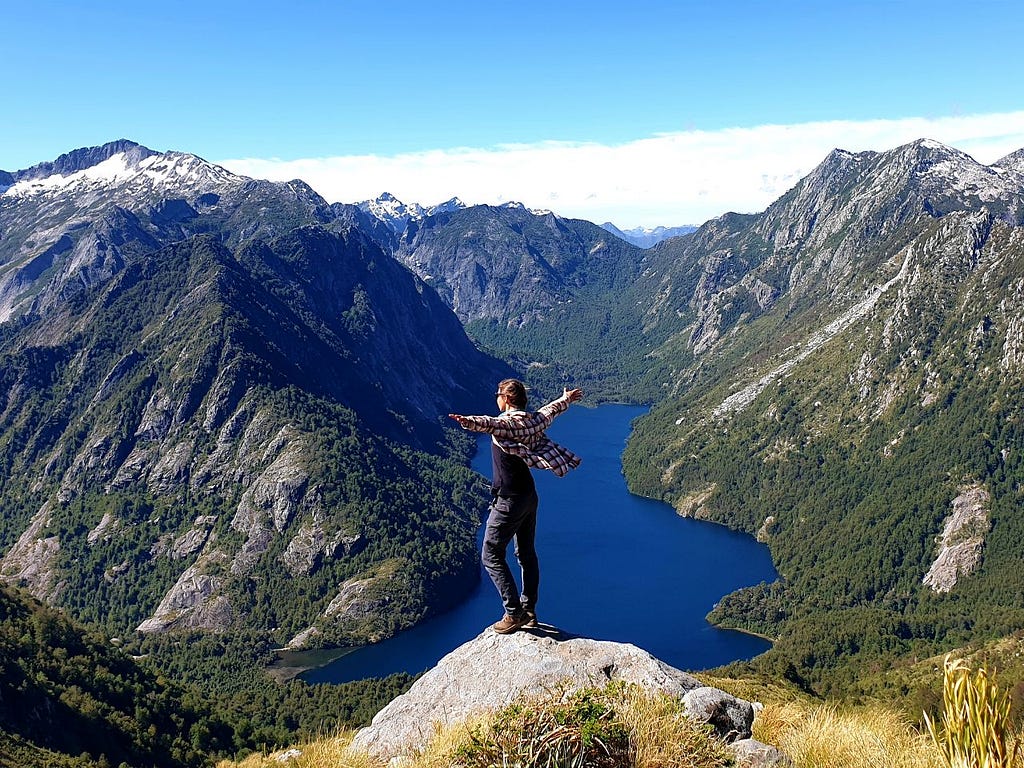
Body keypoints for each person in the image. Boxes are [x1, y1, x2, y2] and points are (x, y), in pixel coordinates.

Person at [448, 379, 583, 634]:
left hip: (509, 500)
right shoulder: (533, 421)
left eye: (498, 394)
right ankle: (529, 610)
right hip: (529, 496)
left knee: (490, 554)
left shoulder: (507, 425)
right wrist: (566, 398)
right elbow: (549, 411)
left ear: (507, 399)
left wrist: (466, 420)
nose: (496, 398)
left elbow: (489, 422)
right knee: (526, 554)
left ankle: (514, 613)